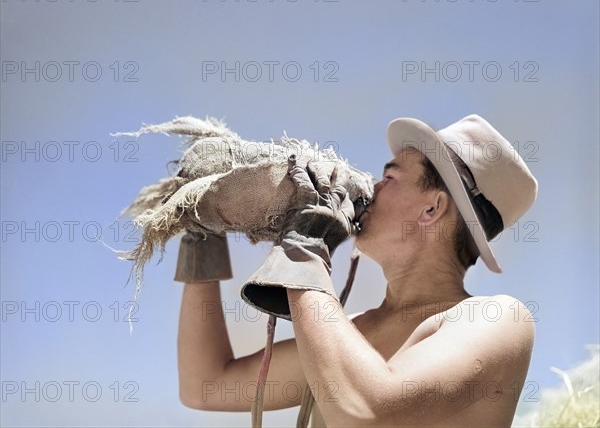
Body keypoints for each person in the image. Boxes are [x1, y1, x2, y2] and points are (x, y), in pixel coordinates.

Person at [175, 114, 538, 427]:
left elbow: (366, 412)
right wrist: (201, 231)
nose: (372, 188)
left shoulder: (498, 319)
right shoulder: (351, 332)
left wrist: (305, 247)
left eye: (390, 178)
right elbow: (205, 383)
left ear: (432, 209)